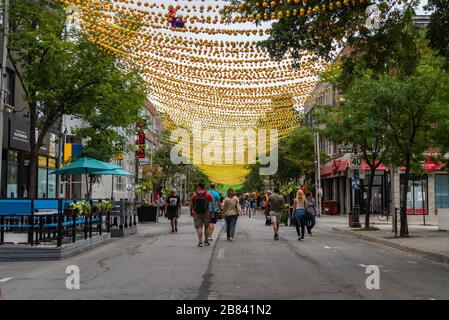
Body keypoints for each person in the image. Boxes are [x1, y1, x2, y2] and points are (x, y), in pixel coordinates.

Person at [191, 182, 214, 247]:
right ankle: (206, 241)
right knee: (206, 227)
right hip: (206, 213)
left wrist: (193, 211)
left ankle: (200, 242)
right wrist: (212, 212)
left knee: (199, 227)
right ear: (204, 187)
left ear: (199, 187)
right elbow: (212, 203)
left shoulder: (195, 194)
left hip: (197, 213)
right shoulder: (208, 194)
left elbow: (191, 202)